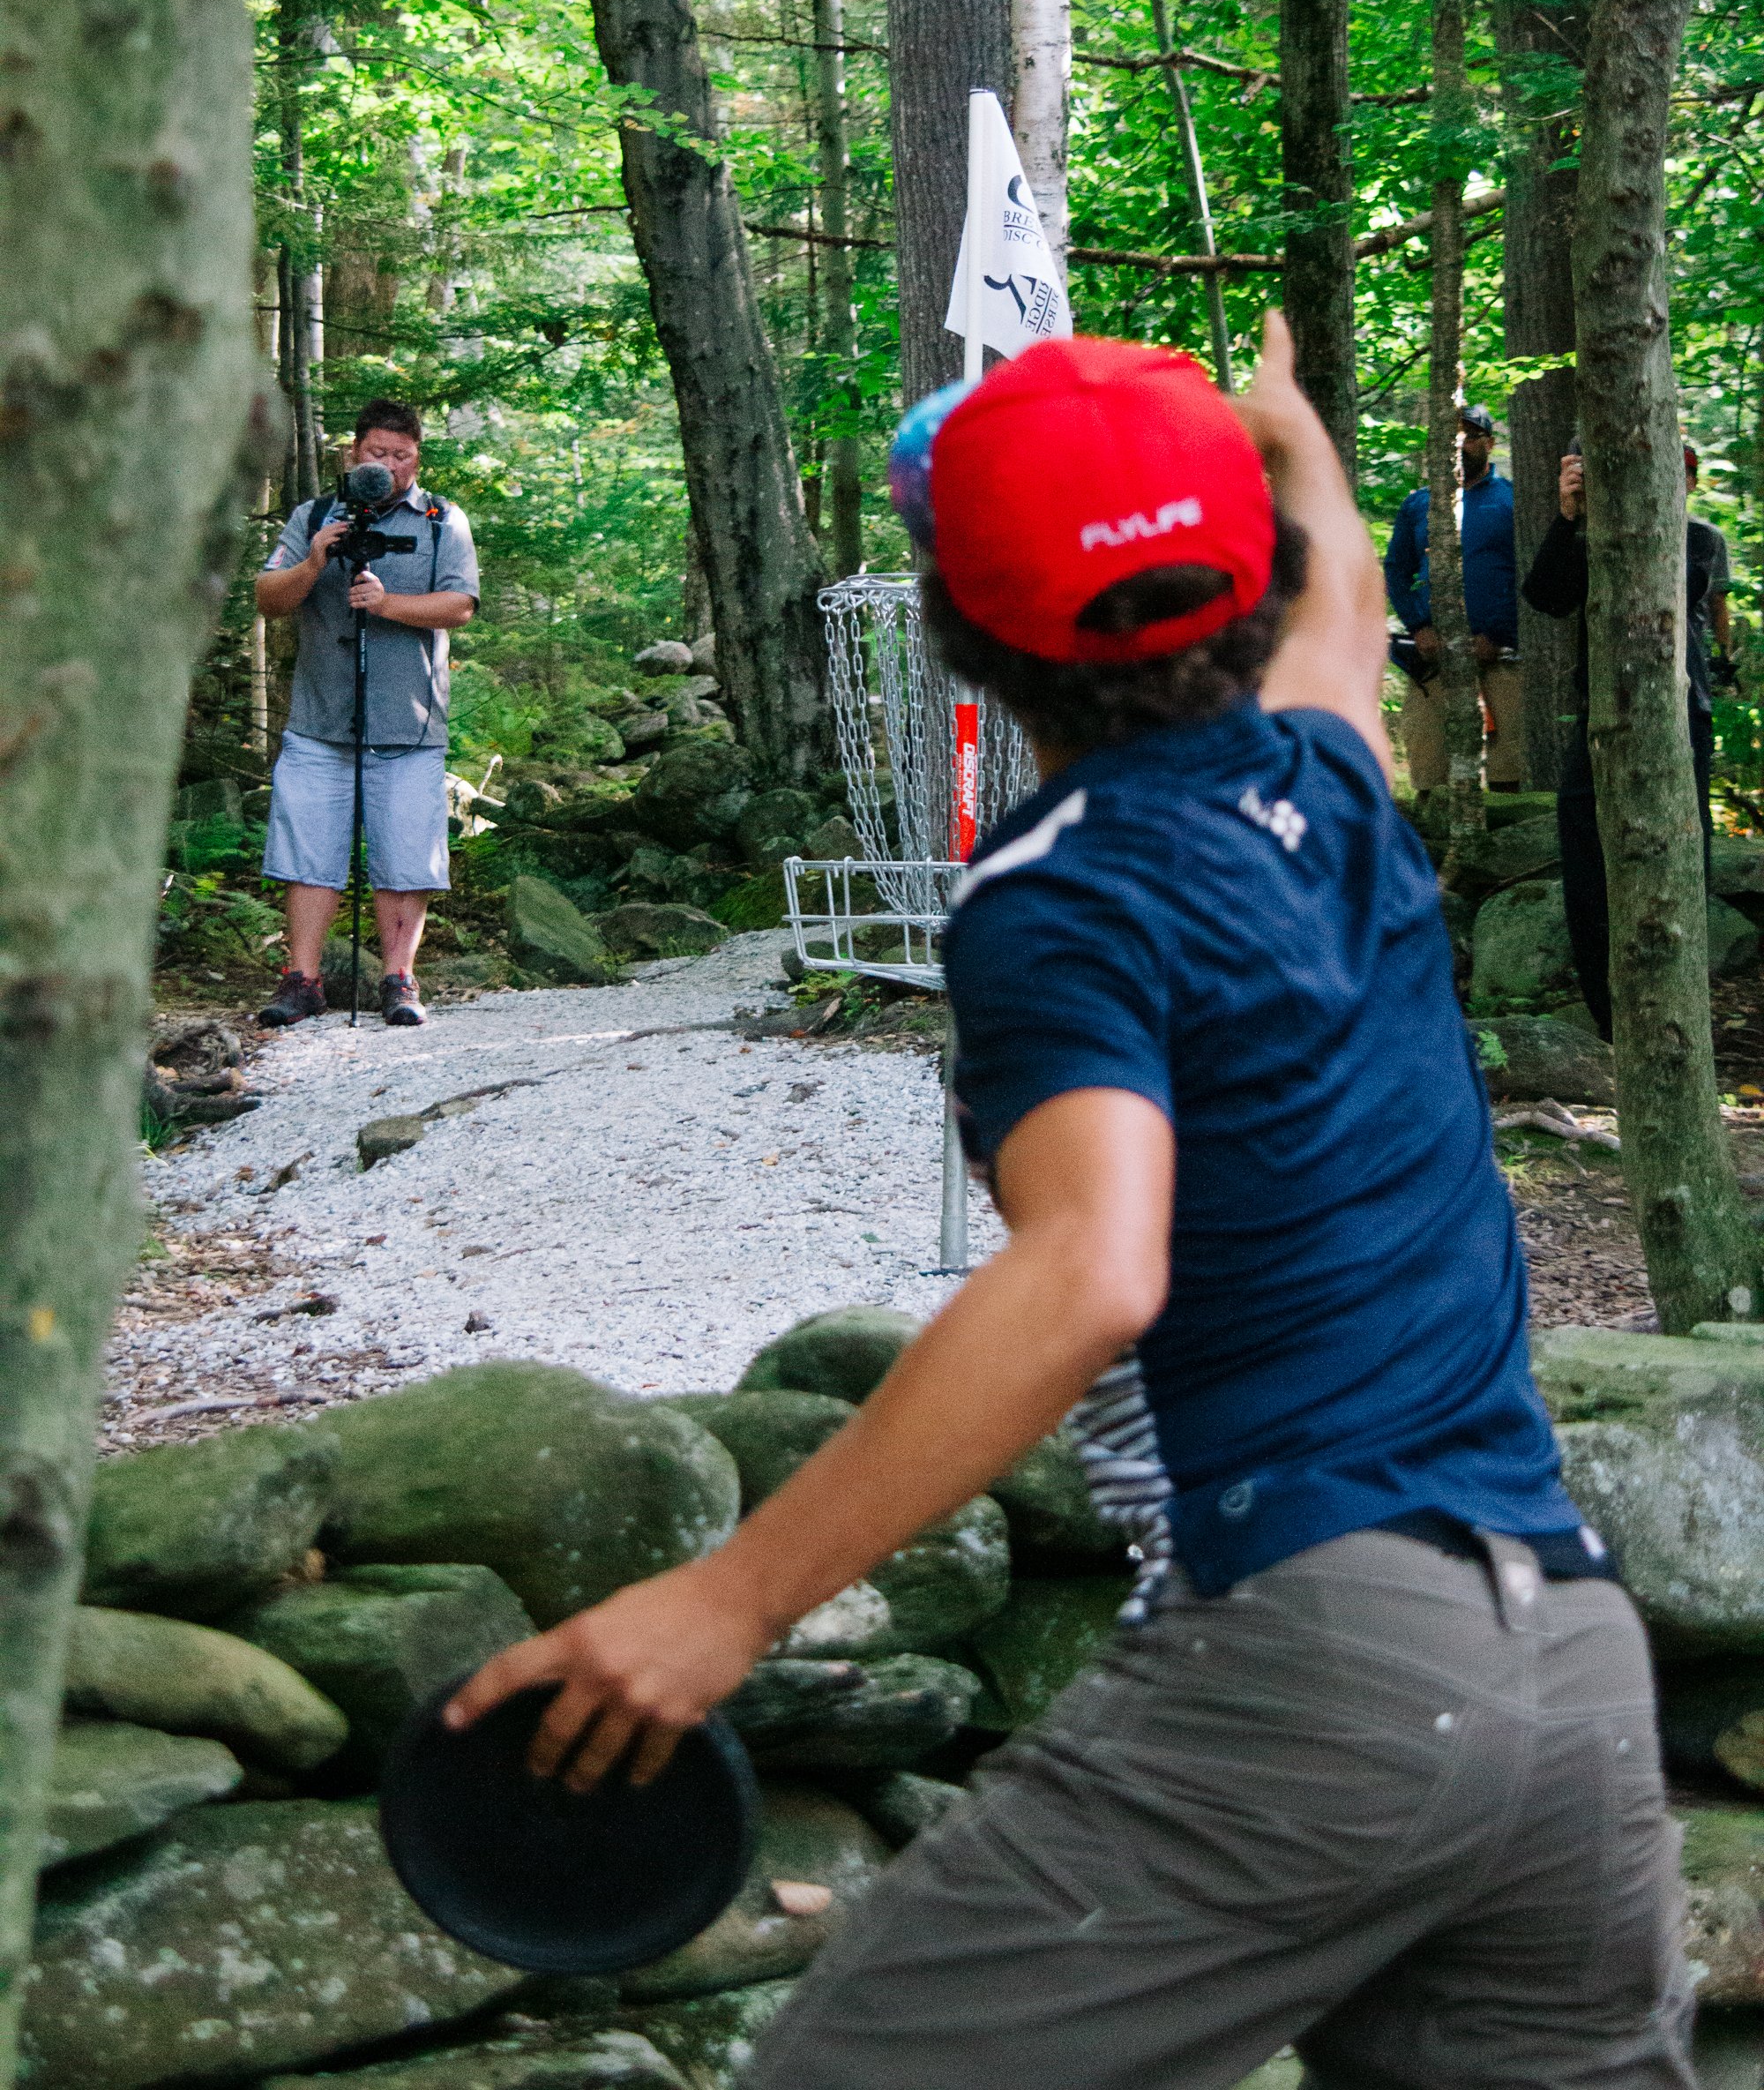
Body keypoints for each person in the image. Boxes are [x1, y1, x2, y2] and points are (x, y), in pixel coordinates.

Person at [447, 318, 1689, 2089]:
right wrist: (1274, 420)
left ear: (958, 631)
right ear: (1244, 576)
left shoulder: (1064, 895)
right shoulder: (1329, 780)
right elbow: (1337, 580)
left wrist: (725, 1600)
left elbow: (1095, 1270)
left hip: (1321, 1660)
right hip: (1566, 1662)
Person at [254, 400, 479, 1029]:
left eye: (401, 456)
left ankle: (399, 980)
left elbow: (461, 604)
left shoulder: (442, 519)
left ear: (417, 458)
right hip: (320, 722)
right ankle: (302, 980)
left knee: (407, 857)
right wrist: (314, 560)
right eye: (377, 453)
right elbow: (267, 598)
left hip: (409, 725)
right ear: (354, 452)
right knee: (306, 854)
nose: (389, 466)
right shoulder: (315, 515)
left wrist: (386, 604)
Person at [1522, 438, 1730, 1042]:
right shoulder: (1588, 534)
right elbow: (1546, 597)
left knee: (1686, 860)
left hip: (1682, 712)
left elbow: (1685, 592)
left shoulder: (1698, 540)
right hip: (1602, 717)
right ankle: (1611, 1021)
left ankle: (1683, 1011)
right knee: (1585, 852)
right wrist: (1570, 518)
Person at [1383, 402, 1523, 795]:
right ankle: (1432, 843)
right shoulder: (1419, 504)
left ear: (1490, 443)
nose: (1460, 445)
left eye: (1470, 437)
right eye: (1451, 438)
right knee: (1428, 760)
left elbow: (1528, 577)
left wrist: (1500, 636)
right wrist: (1419, 627)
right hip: (1434, 656)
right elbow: (1396, 570)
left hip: (1500, 656)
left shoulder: (1512, 501)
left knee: (1507, 762)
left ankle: (1510, 847)